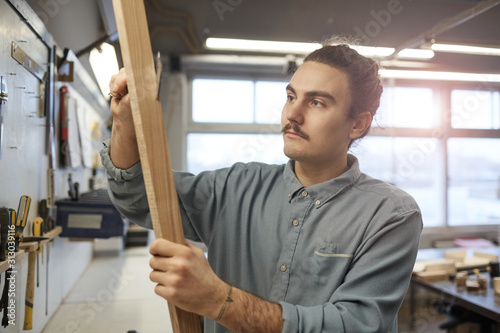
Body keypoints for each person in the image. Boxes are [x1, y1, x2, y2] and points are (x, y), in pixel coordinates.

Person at [100, 44, 423, 333]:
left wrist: (219, 300)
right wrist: (125, 121)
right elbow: (140, 197)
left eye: (318, 103)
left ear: (357, 123)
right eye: (291, 96)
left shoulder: (391, 215)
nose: (292, 114)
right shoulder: (236, 186)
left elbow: (353, 326)